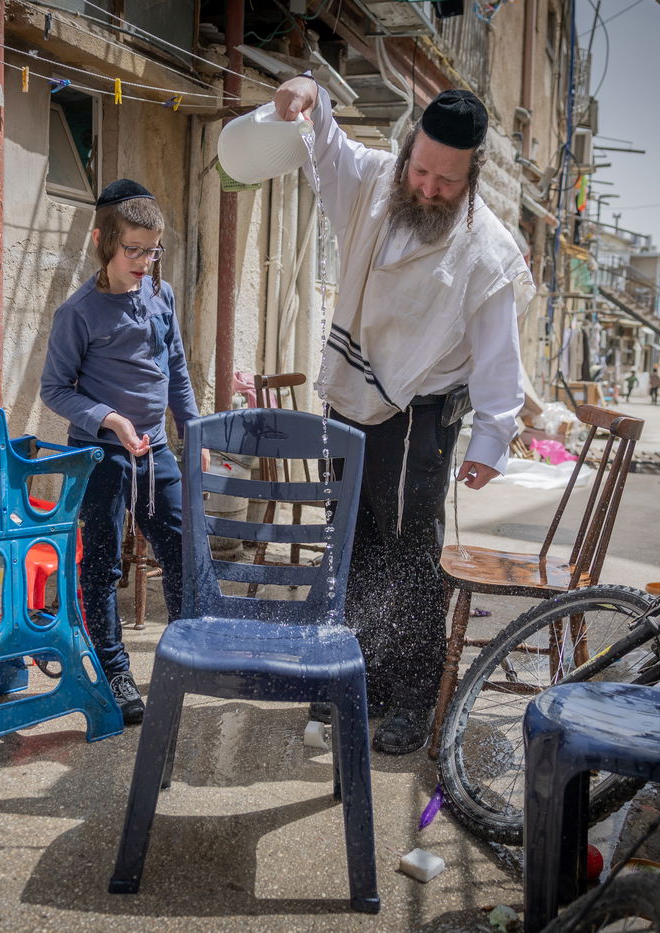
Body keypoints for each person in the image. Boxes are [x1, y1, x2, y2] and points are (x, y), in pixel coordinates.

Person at [274, 77, 533, 754]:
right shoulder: (373, 182)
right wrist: (308, 91)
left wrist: (492, 436)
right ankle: (360, 677)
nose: (427, 188)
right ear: (410, 149)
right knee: (353, 543)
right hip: (350, 401)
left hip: (422, 417)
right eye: (421, 169)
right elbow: (323, 146)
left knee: (410, 553)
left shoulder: (488, 249)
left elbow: (499, 354)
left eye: (446, 180)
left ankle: (414, 694)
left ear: (471, 172)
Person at [40, 179, 201, 727]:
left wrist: (193, 430)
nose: (142, 260)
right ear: (101, 242)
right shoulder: (78, 313)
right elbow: (54, 389)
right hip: (101, 455)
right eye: (132, 249)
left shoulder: (161, 295)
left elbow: (175, 368)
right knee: (104, 566)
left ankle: (184, 655)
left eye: (151, 250)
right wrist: (107, 418)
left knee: (181, 548)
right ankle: (114, 669)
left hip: (155, 451)